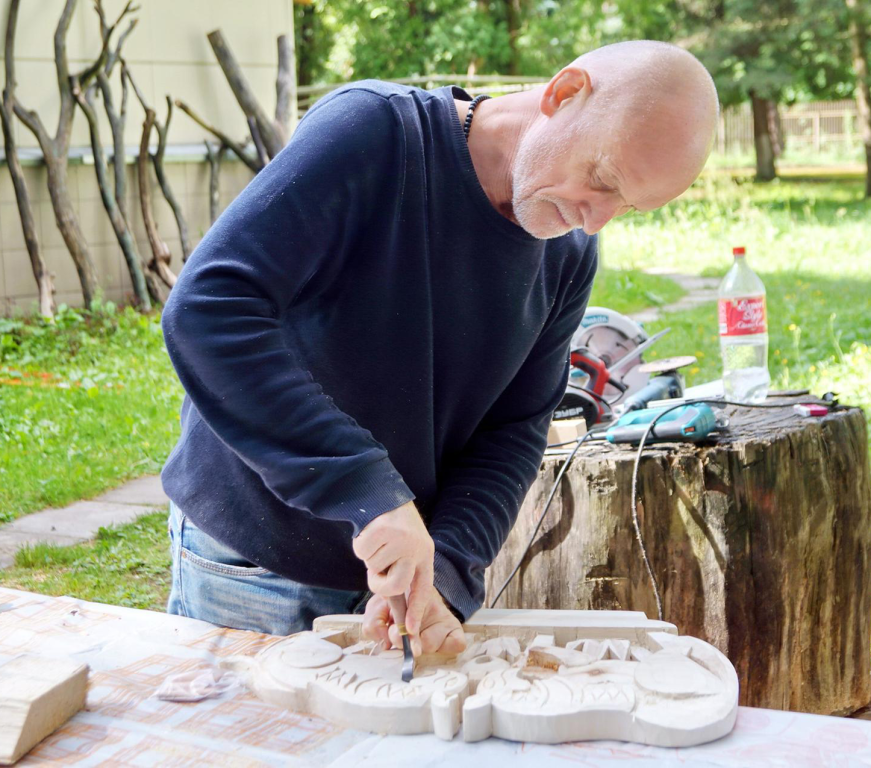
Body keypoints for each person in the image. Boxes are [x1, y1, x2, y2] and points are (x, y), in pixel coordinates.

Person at [160, 40, 719, 655]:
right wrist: (367, 493)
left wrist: (448, 572)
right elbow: (208, 310)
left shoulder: (568, 253)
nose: (595, 220)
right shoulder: (373, 134)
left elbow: (513, 431)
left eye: (627, 206)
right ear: (563, 94)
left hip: (402, 589)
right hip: (256, 563)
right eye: (602, 180)